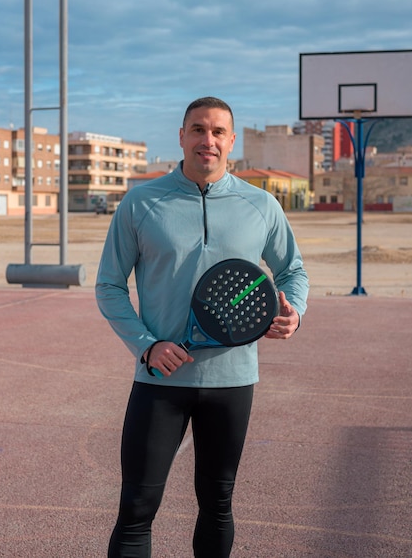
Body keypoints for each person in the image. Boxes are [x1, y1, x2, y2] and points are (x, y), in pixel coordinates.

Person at [96, 96, 309, 557]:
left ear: (231, 141)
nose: (206, 140)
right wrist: (147, 346)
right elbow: (109, 286)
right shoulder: (141, 203)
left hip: (232, 382)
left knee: (217, 504)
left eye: (217, 132)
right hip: (160, 379)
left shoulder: (261, 205)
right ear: (181, 136)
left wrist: (296, 311)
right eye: (197, 129)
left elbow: (292, 270)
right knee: (136, 507)